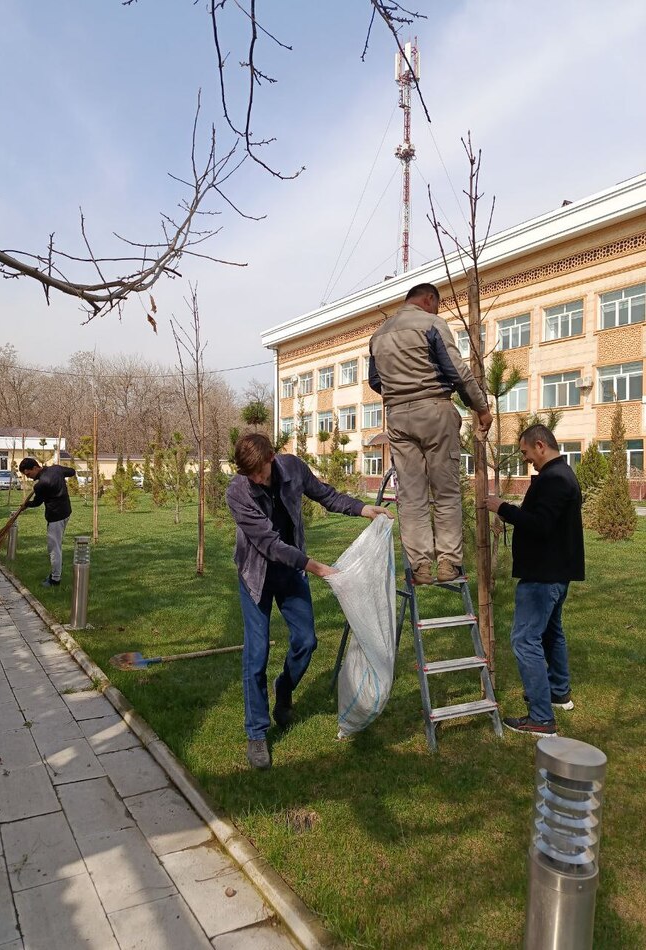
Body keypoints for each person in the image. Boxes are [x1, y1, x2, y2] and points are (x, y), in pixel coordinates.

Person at [226, 432, 390, 770]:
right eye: (249, 474)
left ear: (271, 457)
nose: (255, 479)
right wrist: (315, 566)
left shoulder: (292, 468)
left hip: (291, 573)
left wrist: (362, 509)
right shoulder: (238, 491)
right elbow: (268, 544)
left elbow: (325, 495)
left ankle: (283, 688)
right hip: (256, 576)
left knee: (307, 641)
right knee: (256, 655)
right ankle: (257, 733)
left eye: (259, 472)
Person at [368, 282, 493, 584]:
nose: (437, 309)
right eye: (436, 304)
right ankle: (448, 563)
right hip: (434, 411)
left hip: (397, 416)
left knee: (411, 495)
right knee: (446, 491)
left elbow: (375, 381)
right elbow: (456, 371)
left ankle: (420, 566)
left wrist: (400, 392)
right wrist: (481, 407)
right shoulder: (432, 324)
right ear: (428, 299)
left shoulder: (378, 335)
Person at [486, 424, 584, 736]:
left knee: (524, 639)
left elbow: (540, 525)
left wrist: (502, 508)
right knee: (551, 633)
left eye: (527, 453)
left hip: (543, 575)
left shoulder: (555, 479)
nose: (527, 459)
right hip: (555, 571)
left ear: (540, 445)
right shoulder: (561, 474)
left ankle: (541, 718)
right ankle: (558, 692)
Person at [18, 457, 77, 587]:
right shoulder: (56, 469)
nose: (28, 477)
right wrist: (59, 471)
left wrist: (26, 504)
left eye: (28, 474)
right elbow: (72, 471)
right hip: (66, 512)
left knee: (53, 548)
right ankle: (57, 568)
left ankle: (55, 579)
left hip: (55, 517)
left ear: (35, 467)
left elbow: (37, 502)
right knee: (57, 545)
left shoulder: (41, 485)